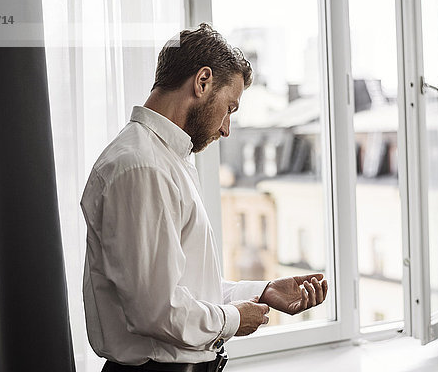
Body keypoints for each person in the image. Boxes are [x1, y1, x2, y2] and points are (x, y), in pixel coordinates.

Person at [80, 23, 328, 372]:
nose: (227, 128)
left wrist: (264, 291)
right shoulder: (141, 167)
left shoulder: (164, 160)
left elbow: (185, 289)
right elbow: (156, 310)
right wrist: (231, 320)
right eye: (230, 108)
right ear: (202, 81)